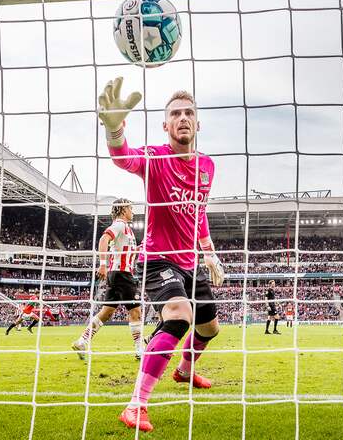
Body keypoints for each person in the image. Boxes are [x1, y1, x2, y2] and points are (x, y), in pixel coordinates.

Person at [98, 77, 225, 432]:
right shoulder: (156, 158)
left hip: (191, 262)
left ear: (197, 123)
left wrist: (210, 254)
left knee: (210, 327)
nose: (183, 118)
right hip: (158, 259)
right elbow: (124, 158)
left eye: (189, 113)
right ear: (165, 124)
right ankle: (135, 405)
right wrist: (114, 131)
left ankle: (185, 370)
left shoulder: (207, 166)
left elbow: (198, 212)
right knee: (179, 315)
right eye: (175, 114)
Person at [72, 198, 144, 360]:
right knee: (136, 312)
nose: (133, 211)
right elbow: (104, 239)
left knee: (106, 312)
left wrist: (138, 249)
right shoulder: (119, 225)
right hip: (122, 274)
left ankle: (82, 340)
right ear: (124, 209)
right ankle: (140, 350)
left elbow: (123, 250)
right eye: (131, 208)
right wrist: (102, 264)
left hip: (116, 274)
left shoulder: (126, 229)